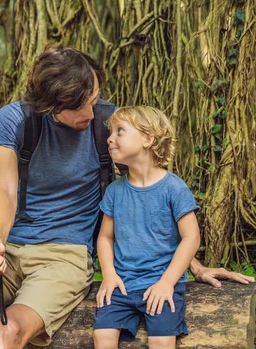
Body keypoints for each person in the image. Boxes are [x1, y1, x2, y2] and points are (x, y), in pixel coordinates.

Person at [0, 46, 255, 349]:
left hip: (63, 258)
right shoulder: (13, 121)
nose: (91, 111)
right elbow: (3, 187)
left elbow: (147, 198)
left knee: (6, 334)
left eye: (94, 98)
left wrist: (193, 267)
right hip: (10, 251)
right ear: (50, 105)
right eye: (78, 106)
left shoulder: (110, 126)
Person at [93, 106, 199, 349]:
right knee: (102, 336)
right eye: (111, 132)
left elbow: (191, 238)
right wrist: (109, 275)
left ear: (148, 139)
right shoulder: (115, 192)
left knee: (161, 341)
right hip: (122, 284)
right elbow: (105, 238)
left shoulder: (174, 188)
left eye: (120, 131)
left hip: (160, 282)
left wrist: (167, 283)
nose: (110, 138)